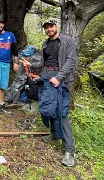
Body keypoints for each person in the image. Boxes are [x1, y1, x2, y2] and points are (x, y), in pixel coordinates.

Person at [19, 18, 77, 167]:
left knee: (61, 112)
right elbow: (45, 63)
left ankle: (69, 151)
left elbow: (71, 61)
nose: (49, 29)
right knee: (47, 109)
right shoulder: (45, 44)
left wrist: (58, 77)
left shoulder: (67, 41)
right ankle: (55, 134)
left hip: (61, 80)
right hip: (46, 78)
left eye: (51, 26)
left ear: (56, 26)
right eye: (46, 27)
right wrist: (31, 65)